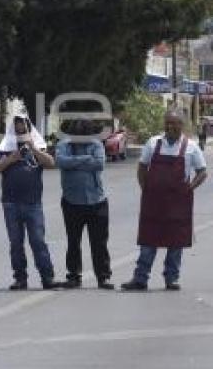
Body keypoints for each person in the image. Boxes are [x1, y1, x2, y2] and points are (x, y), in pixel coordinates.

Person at [122, 110, 207, 291]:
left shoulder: (191, 147)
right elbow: (142, 167)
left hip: (178, 204)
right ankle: (140, 278)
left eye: (174, 123)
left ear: (181, 125)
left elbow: (202, 172)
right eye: (168, 122)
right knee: (148, 240)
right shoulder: (153, 143)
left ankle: (171, 278)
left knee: (176, 242)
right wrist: (145, 189)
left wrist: (190, 187)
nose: (170, 126)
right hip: (153, 202)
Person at [0, 111, 63, 290]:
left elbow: (51, 163)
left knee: (38, 241)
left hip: (33, 203)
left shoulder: (37, 146)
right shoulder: (5, 148)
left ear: (29, 128)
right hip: (11, 203)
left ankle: (47, 278)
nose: (20, 129)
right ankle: (20, 278)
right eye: (17, 126)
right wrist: (11, 158)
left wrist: (33, 148)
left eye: (23, 126)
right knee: (16, 243)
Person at [55, 119, 113, 290]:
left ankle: (103, 277)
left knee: (99, 243)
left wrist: (74, 162)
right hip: (71, 202)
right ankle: (73, 276)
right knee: (73, 241)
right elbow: (61, 162)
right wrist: (86, 159)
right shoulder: (64, 144)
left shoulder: (96, 144)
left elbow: (99, 164)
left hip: (97, 201)